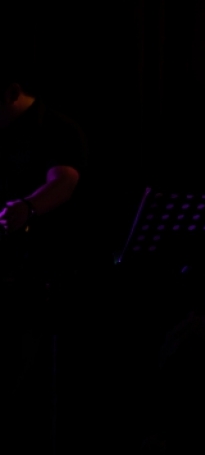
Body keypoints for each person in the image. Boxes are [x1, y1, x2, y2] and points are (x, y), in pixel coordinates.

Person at [0, 68, 88, 453]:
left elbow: (64, 181)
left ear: (12, 92)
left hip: (41, 278)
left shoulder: (57, 128)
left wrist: (28, 208)